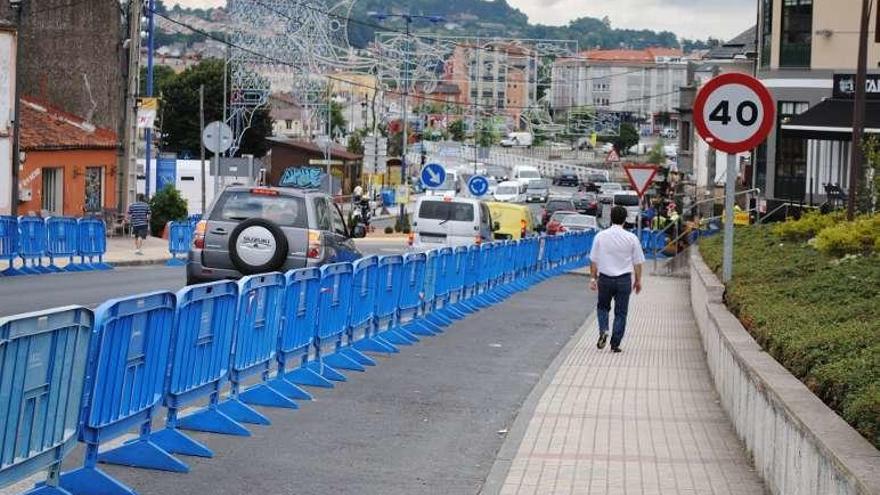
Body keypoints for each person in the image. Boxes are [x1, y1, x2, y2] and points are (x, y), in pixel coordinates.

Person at [589, 205, 646, 353]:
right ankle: (615, 343)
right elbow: (637, 262)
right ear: (625, 219)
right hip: (624, 280)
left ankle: (604, 330)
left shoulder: (600, 236)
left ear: (610, 218)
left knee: (602, 307)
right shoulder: (631, 238)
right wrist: (638, 280)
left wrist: (593, 279)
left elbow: (593, 260)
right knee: (621, 312)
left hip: (605, 279)